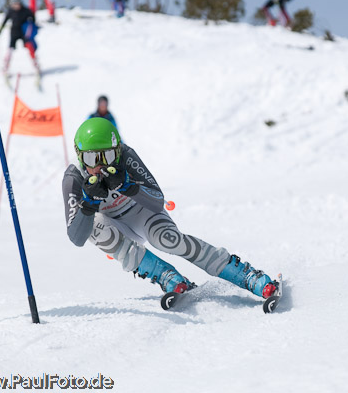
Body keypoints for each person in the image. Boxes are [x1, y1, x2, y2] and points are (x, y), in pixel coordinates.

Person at [62, 118, 281, 301]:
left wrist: (128, 186)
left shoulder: (127, 158)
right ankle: (167, 276)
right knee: (95, 228)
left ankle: (245, 275)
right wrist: (88, 204)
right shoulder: (74, 178)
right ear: (80, 156)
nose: (100, 166)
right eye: (91, 158)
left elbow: (157, 201)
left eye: (107, 156)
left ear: (117, 152)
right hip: (115, 225)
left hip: (141, 213)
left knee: (168, 239)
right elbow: (76, 237)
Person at [0, 0, 40, 74]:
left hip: (24, 32)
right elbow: (5, 20)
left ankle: (36, 64)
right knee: (10, 49)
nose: (16, 5)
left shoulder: (25, 10)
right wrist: (0, 29)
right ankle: (6, 67)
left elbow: (32, 16)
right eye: (14, 4)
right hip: (14, 32)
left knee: (29, 45)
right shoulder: (10, 11)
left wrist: (32, 24)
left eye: (17, 3)